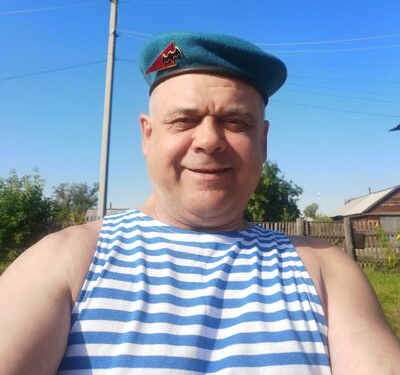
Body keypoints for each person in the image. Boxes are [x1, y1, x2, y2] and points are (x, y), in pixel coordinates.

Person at [0, 32, 399, 375]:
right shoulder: (66, 262)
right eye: (184, 120)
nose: (209, 140)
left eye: (235, 122)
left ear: (262, 141)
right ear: (147, 136)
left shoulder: (325, 271)